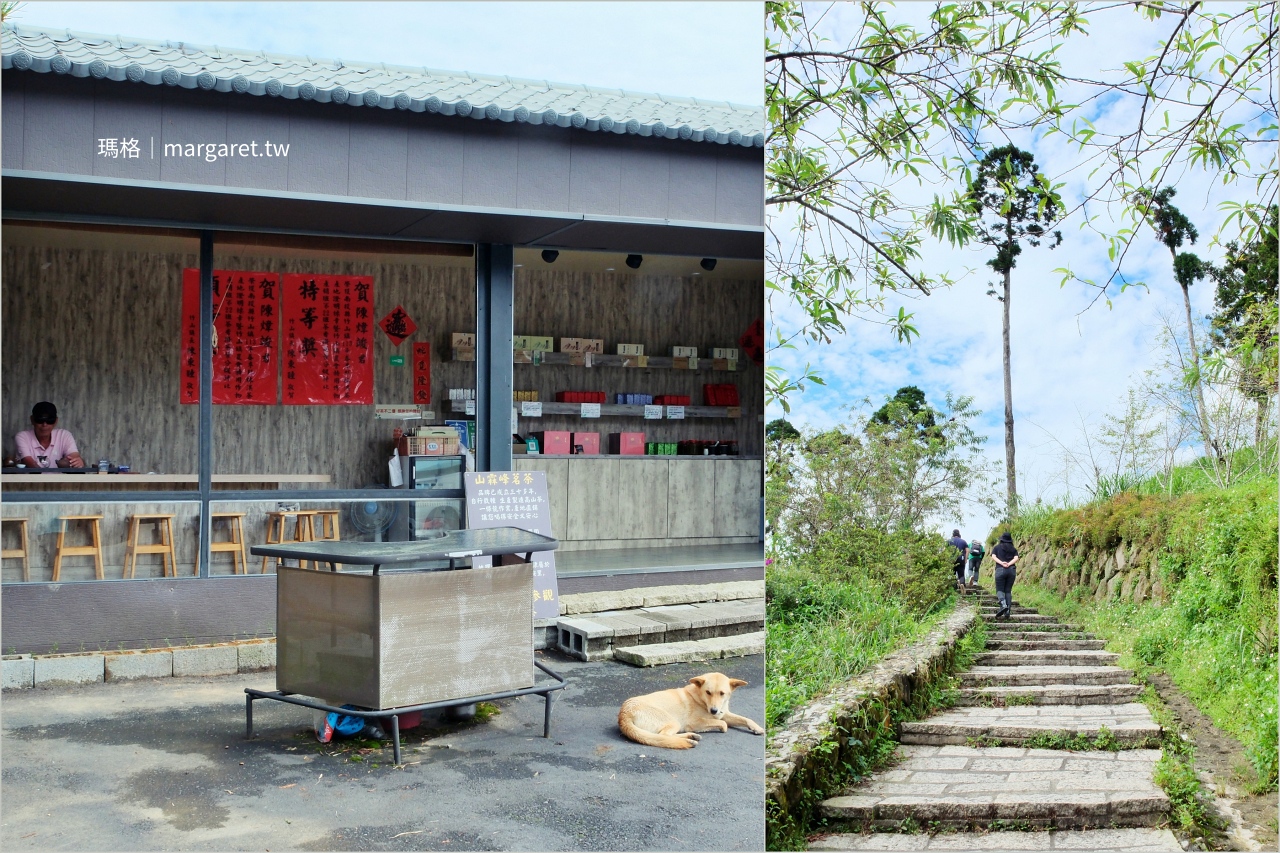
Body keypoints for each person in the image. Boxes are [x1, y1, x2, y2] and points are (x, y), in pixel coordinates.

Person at [15, 402, 84, 469]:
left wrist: (78, 462)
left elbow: (74, 458)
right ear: (32, 420)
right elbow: (31, 464)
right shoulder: (22, 437)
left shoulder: (64, 435)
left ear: (56, 421)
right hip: (31, 480)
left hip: (59, 481)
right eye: (40, 420)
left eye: (50, 420)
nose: (44, 425)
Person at [991, 531, 1020, 619]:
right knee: (1008, 591)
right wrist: (1009, 564)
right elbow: (1016, 558)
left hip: (1000, 569)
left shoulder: (997, 547)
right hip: (1011, 570)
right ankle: (1007, 612)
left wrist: (1002, 563)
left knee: (1000, 589)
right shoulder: (1013, 549)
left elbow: (993, 556)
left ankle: (1003, 604)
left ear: (1002, 539)